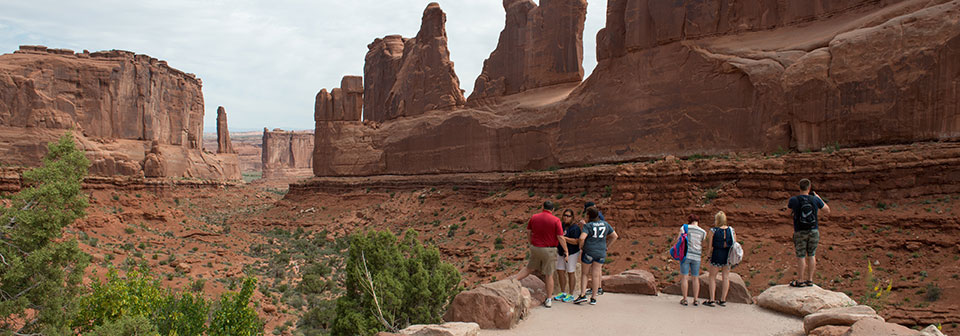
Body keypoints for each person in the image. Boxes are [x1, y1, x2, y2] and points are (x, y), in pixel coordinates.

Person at [515, 200, 568, 307]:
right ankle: (548, 299)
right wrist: (566, 250)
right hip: (549, 250)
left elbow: (529, 232)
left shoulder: (534, 217)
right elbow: (560, 237)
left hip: (535, 248)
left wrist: (531, 243)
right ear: (552, 210)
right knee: (549, 275)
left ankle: (513, 281)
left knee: (529, 268)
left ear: (542, 207)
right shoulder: (556, 220)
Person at [787, 179, 830, 287]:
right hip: (813, 230)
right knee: (812, 254)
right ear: (809, 188)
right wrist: (818, 198)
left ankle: (800, 280)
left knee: (801, 256)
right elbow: (827, 210)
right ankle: (810, 280)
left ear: (799, 188)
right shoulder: (815, 199)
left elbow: (788, 212)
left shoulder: (794, 200)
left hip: (800, 231)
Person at [574, 207, 618, 305]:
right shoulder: (605, 224)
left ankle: (582, 295)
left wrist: (581, 247)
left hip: (589, 251)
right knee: (596, 274)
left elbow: (582, 238)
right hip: (601, 252)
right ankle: (593, 298)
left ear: (589, 215)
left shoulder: (588, 226)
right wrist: (607, 246)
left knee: (585, 274)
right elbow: (614, 236)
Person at [703, 211, 736, 307]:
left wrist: (708, 255)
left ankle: (712, 299)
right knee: (725, 277)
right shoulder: (731, 230)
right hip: (728, 255)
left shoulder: (713, 230)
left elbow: (710, 245)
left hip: (717, 253)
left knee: (712, 277)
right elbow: (735, 244)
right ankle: (723, 299)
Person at [552, 209, 581, 303]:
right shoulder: (561, 225)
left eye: (568, 216)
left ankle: (571, 294)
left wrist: (563, 238)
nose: (566, 217)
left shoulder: (575, 228)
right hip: (561, 251)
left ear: (572, 217)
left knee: (570, 271)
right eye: (564, 215)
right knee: (560, 271)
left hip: (572, 252)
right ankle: (563, 291)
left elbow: (576, 241)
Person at [678, 214, 707, 306]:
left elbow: (679, 239)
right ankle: (695, 299)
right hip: (697, 256)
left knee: (684, 277)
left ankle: (685, 299)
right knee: (695, 278)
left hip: (686, 255)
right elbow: (703, 243)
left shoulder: (685, 227)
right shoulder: (703, 232)